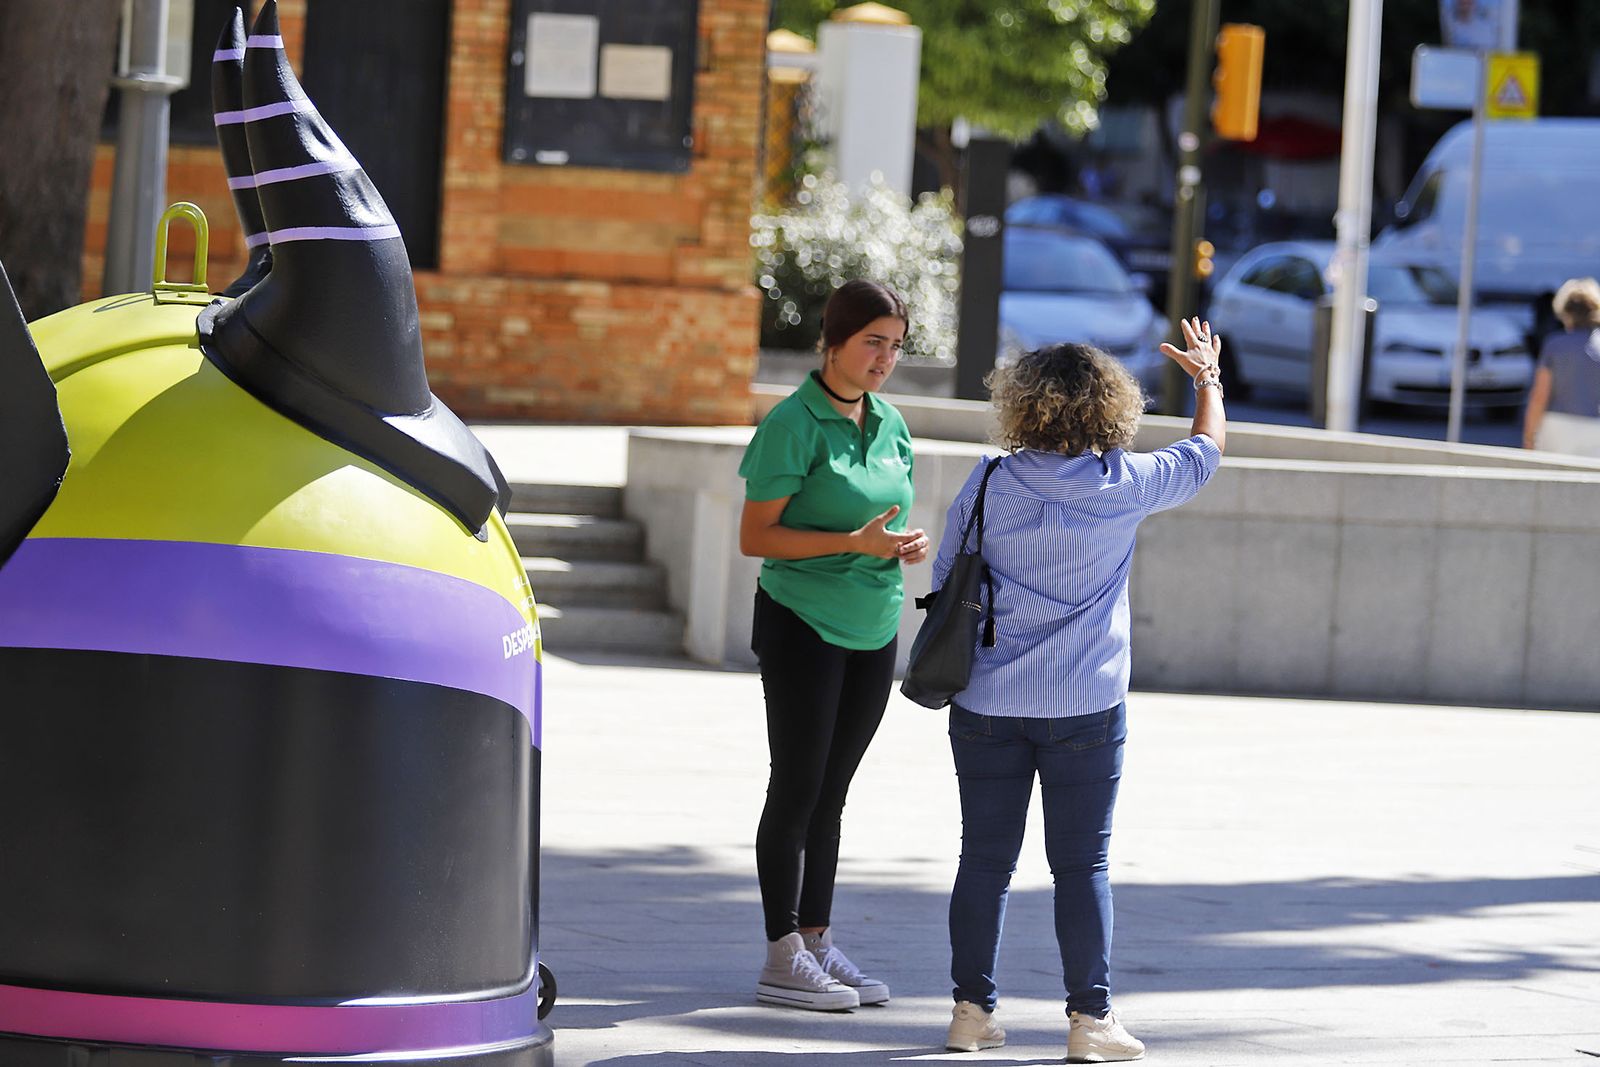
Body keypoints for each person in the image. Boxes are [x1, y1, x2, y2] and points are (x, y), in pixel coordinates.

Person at [938, 319, 1225, 1062]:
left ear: (1020, 405)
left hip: (988, 705)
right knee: (1082, 864)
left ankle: (971, 1013)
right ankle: (1088, 1021)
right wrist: (1208, 381)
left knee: (983, 859)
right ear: (1111, 407)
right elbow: (1206, 452)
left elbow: (944, 584)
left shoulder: (988, 481)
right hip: (1085, 704)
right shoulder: (1123, 484)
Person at [737, 280, 930, 1010]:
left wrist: (894, 547)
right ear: (834, 341)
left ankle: (816, 939)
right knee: (797, 784)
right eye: (872, 342)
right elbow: (757, 536)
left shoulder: (891, 423)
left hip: (874, 624)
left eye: (895, 345)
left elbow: (884, 516)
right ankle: (780, 951)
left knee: (833, 791)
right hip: (801, 622)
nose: (884, 359)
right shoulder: (793, 422)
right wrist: (850, 542)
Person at [1523, 278, 1600, 457]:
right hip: (1595, 429)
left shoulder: (1555, 344)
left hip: (1556, 427)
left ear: (1565, 312)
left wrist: (1529, 436)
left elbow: (1540, 395)